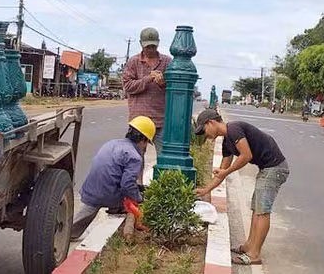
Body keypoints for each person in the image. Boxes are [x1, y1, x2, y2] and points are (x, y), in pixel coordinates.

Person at [193, 109, 289, 266]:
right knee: (256, 209)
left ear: (211, 123)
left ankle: (254, 255)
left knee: (262, 212)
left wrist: (226, 171)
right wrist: (206, 190)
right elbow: (221, 174)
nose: (206, 135)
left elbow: (246, 156)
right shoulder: (226, 142)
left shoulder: (234, 129)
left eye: (204, 130)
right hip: (267, 168)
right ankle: (249, 246)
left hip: (275, 168)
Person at [71, 116, 155, 241]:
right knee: (132, 197)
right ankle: (116, 207)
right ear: (143, 140)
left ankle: (69, 233)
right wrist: (139, 198)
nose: (145, 147)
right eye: (147, 143)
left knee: (85, 215)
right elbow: (127, 185)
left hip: (91, 189)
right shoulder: (134, 157)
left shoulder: (112, 143)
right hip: (107, 194)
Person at [122, 27, 172, 153]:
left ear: (158, 43)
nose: (150, 50)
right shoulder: (133, 62)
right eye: (147, 47)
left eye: (153, 46)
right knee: (134, 159)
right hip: (138, 121)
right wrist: (148, 79)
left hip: (160, 120)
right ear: (141, 44)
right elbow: (128, 86)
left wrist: (163, 83)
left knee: (164, 157)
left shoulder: (167, 62)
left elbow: (174, 90)